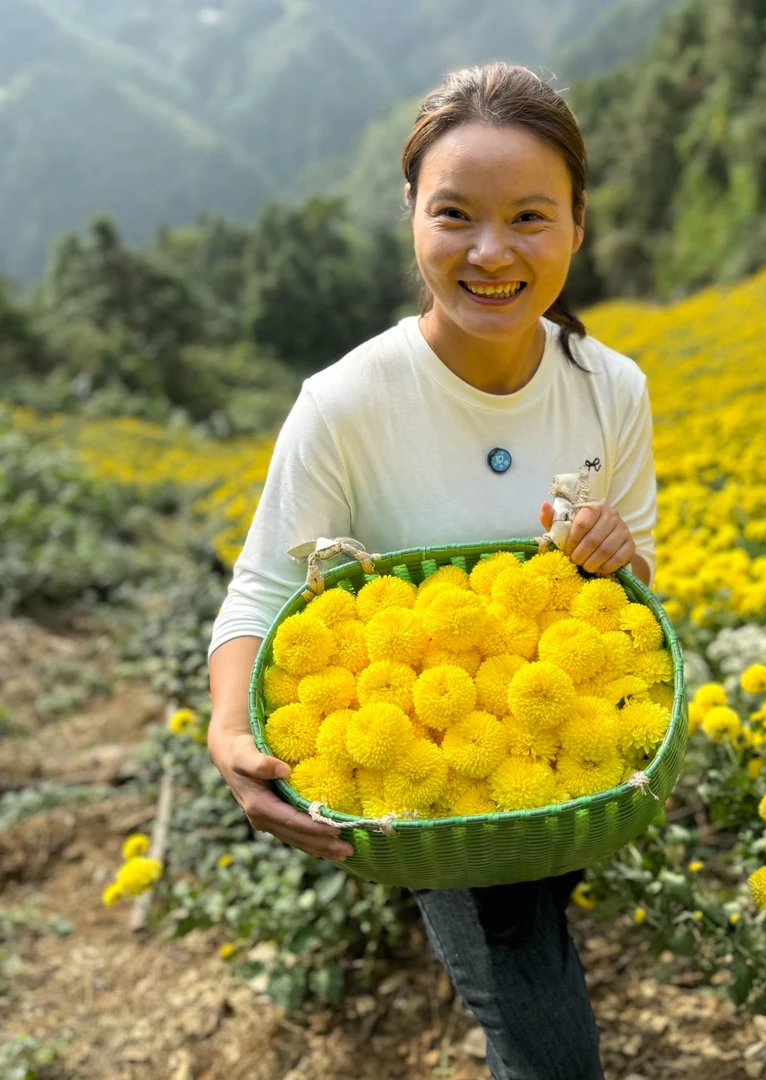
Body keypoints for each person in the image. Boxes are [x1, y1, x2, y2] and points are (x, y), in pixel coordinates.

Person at [206, 61, 658, 1080]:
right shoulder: (346, 402)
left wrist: (617, 558)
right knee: (542, 1026)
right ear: (411, 215)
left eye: (530, 217)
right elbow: (262, 592)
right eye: (455, 214)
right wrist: (230, 731)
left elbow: (641, 604)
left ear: (579, 223)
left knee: (540, 914)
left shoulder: (611, 390)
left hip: (559, 753)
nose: (492, 251)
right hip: (425, 775)